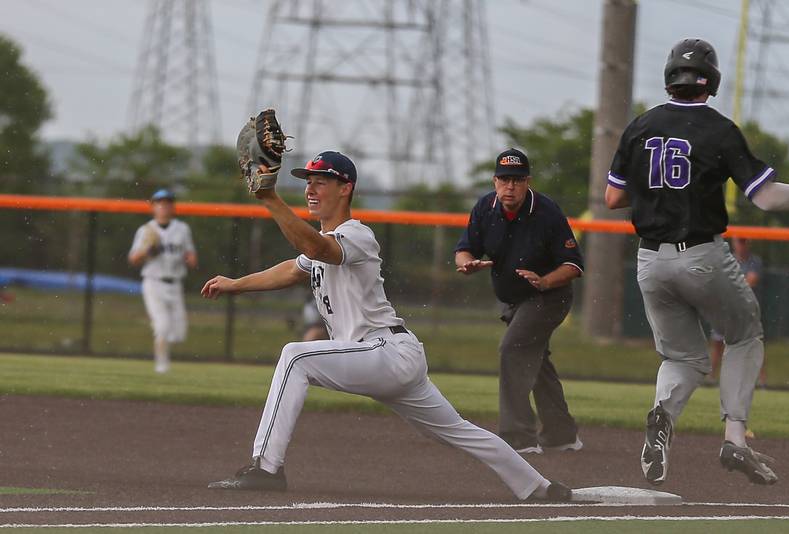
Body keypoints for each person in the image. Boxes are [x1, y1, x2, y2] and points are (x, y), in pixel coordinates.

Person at [201, 150, 571, 501]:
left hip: (385, 352)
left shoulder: (356, 234)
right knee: (459, 431)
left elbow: (316, 250)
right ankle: (539, 486)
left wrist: (271, 200)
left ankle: (266, 469)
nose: (311, 189)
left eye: (321, 182)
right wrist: (236, 284)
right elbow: (294, 266)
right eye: (308, 181)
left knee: (296, 357)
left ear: (346, 188)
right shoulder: (325, 241)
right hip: (381, 356)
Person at [604, 38, 789, 486]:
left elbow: (613, 196)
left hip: (649, 262)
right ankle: (735, 437)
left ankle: (663, 414)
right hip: (701, 255)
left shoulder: (641, 126)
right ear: (710, 81)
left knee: (684, 357)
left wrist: (662, 190)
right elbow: (766, 197)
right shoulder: (718, 129)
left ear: (669, 77)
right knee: (745, 334)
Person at [454, 148, 583, 455]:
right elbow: (464, 249)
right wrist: (468, 263)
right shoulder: (485, 207)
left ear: (528, 182)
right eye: (504, 179)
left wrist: (545, 280)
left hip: (549, 297)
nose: (509, 186)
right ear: (494, 180)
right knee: (535, 363)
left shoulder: (547, 212)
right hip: (514, 300)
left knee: (512, 349)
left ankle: (518, 437)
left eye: (517, 179)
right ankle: (561, 433)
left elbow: (574, 265)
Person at [128, 189, 197, 373]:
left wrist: (188, 258)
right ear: (153, 207)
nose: (164, 206)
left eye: (168, 203)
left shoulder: (182, 229)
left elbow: (191, 258)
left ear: (173, 207)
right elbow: (134, 259)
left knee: (179, 333)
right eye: (160, 203)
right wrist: (147, 251)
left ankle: (163, 342)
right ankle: (161, 365)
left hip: (175, 283)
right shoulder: (146, 230)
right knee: (162, 325)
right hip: (153, 282)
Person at [709, 237, 765, 385]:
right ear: (733, 243)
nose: (741, 244)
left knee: (754, 343)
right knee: (718, 343)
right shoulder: (728, 259)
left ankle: (761, 381)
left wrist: (731, 286)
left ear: (749, 242)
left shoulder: (754, 261)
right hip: (726, 309)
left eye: (744, 241)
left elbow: (750, 281)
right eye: (739, 241)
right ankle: (711, 377)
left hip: (746, 309)